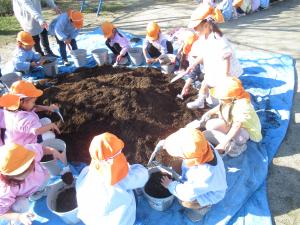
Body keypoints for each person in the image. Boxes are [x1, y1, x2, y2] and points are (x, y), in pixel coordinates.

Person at [76, 132, 149, 225]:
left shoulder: (85, 173)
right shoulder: (122, 179)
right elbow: (142, 176)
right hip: (120, 221)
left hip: (91, 220)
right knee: (133, 195)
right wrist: (133, 168)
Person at [156, 127, 227, 222]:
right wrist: (167, 143)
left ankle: (203, 208)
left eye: (178, 155)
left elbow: (188, 193)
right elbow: (183, 140)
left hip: (209, 194)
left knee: (185, 202)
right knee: (177, 164)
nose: (176, 156)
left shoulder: (205, 175)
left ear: (192, 159)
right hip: (202, 183)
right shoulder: (203, 146)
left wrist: (171, 185)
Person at [185, 3, 243, 109]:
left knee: (221, 96)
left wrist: (225, 76)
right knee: (205, 82)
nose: (195, 31)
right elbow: (203, 54)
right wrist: (193, 64)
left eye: (196, 28)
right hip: (214, 67)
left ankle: (228, 103)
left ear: (206, 25)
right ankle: (200, 101)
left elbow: (227, 58)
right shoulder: (204, 37)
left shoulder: (218, 39)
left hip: (226, 70)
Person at [195, 77, 262, 157]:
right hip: (232, 122)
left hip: (246, 128)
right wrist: (208, 113)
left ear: (232, 98)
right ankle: (229, 137)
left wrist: (223, 144)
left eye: (222, 98)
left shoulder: (243, 107)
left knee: (240, 136)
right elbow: (221, 106)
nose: (220, 99)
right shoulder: (228, 99)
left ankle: (239, 146)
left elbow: (237, 126)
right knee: (210, 125)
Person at [0, 142, 65, 225]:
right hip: (21, 198)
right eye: (24, 172)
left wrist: (53, 151)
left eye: (31, 164)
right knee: (22, 204)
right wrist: (18, 216)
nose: (30, 169)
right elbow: (2, 213)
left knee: (46, 175)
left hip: (37, 182)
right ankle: (16, 221)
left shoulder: (28, 151)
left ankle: (37, 193)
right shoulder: (6, 190)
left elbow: (42, 149)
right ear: (10, 176)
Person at [0, 80, 60, 145]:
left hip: (14, 138)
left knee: (46, 120)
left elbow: (35, 107)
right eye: (33, 102)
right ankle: (39, 148)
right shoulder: (24, 119)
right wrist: (51, 126)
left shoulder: (12, 108)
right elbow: (36, 131)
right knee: (50, 136)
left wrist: (48, 108)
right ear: (22, 102)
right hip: (22, 145)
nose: (34, 103)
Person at [172, 31, 204, 100]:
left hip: (207, 71)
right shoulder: (188, 41)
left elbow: (196, 69)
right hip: (194, 65)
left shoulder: (201, 49)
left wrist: (187, 85)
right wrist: (183, 68)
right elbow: (184, 53)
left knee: (200, 79)